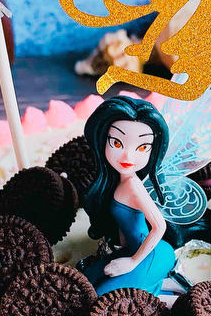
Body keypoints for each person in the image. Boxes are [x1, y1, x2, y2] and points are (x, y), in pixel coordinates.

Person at [79, 96, 185, 298]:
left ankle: (170, 291)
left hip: (151, 253)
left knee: (103, 297)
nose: (128, 156)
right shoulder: (116, 182)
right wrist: (122, 254)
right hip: (133, 250)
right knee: (86, 280)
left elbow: (159, 226)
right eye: (117, 143)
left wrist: (132, 262)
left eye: (143, 147)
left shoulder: (133, 185)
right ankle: (166, 282)